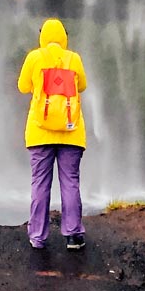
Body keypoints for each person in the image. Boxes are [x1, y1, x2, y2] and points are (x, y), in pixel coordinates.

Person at [17, 18, 88, 251]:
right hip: (71, 133)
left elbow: (23, 86)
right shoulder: (74, 58)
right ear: (64, 37)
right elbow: (82, 86)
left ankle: (37, 236)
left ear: (43, 36)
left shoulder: (34, 57)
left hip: (40, 133)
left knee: (40, 184)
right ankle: (74, 235)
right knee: (70, 183)